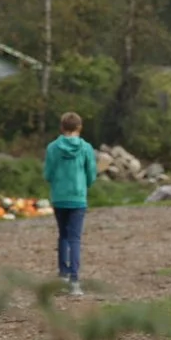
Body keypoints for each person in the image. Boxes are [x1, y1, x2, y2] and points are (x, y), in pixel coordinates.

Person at [44, 111, 98, 297]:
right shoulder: (86, 148)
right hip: (78, 197)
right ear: (79, 128)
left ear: (62, 128)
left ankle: (63, 275)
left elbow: (48, 174)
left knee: (63, 236)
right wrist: (85, 185)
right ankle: (75, 281)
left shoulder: (52, 148)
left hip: (59, 197)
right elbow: (91, 174)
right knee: (75, 238)